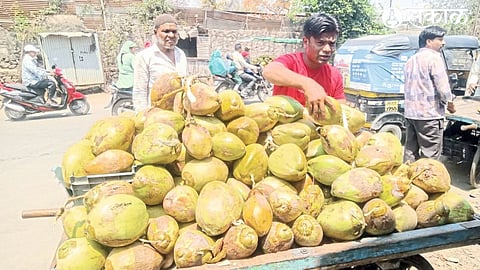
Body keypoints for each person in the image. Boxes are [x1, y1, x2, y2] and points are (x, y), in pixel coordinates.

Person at [262, 13, 346, 120]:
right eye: (320, 42)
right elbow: (269, 71)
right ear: (306, 42)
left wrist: (347, 109)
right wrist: (308, 84)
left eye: (332, 44)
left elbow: (340, 105)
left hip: (319, 133)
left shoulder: (334, 74)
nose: (327, 49)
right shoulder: (291, 62)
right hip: (283, 132)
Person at [403, 26, 456, 162]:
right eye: (439, 39)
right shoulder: (434, 59)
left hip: (411, 114)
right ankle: (425, 181)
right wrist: (450, 103)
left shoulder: (411, 60)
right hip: (429, 116)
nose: (443, 43)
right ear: (428, 42)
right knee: (430, 156)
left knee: (410, 152)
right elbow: (443, 88)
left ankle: (407, 180)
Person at [133, 14, 188, 112]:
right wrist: (143, 116)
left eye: (174, 32)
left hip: (179, 114)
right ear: (156, 32)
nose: (171, 35)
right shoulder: (145, 57)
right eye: (166, 31)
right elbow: (140, 91)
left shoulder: (181, 54)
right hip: (156, 116)